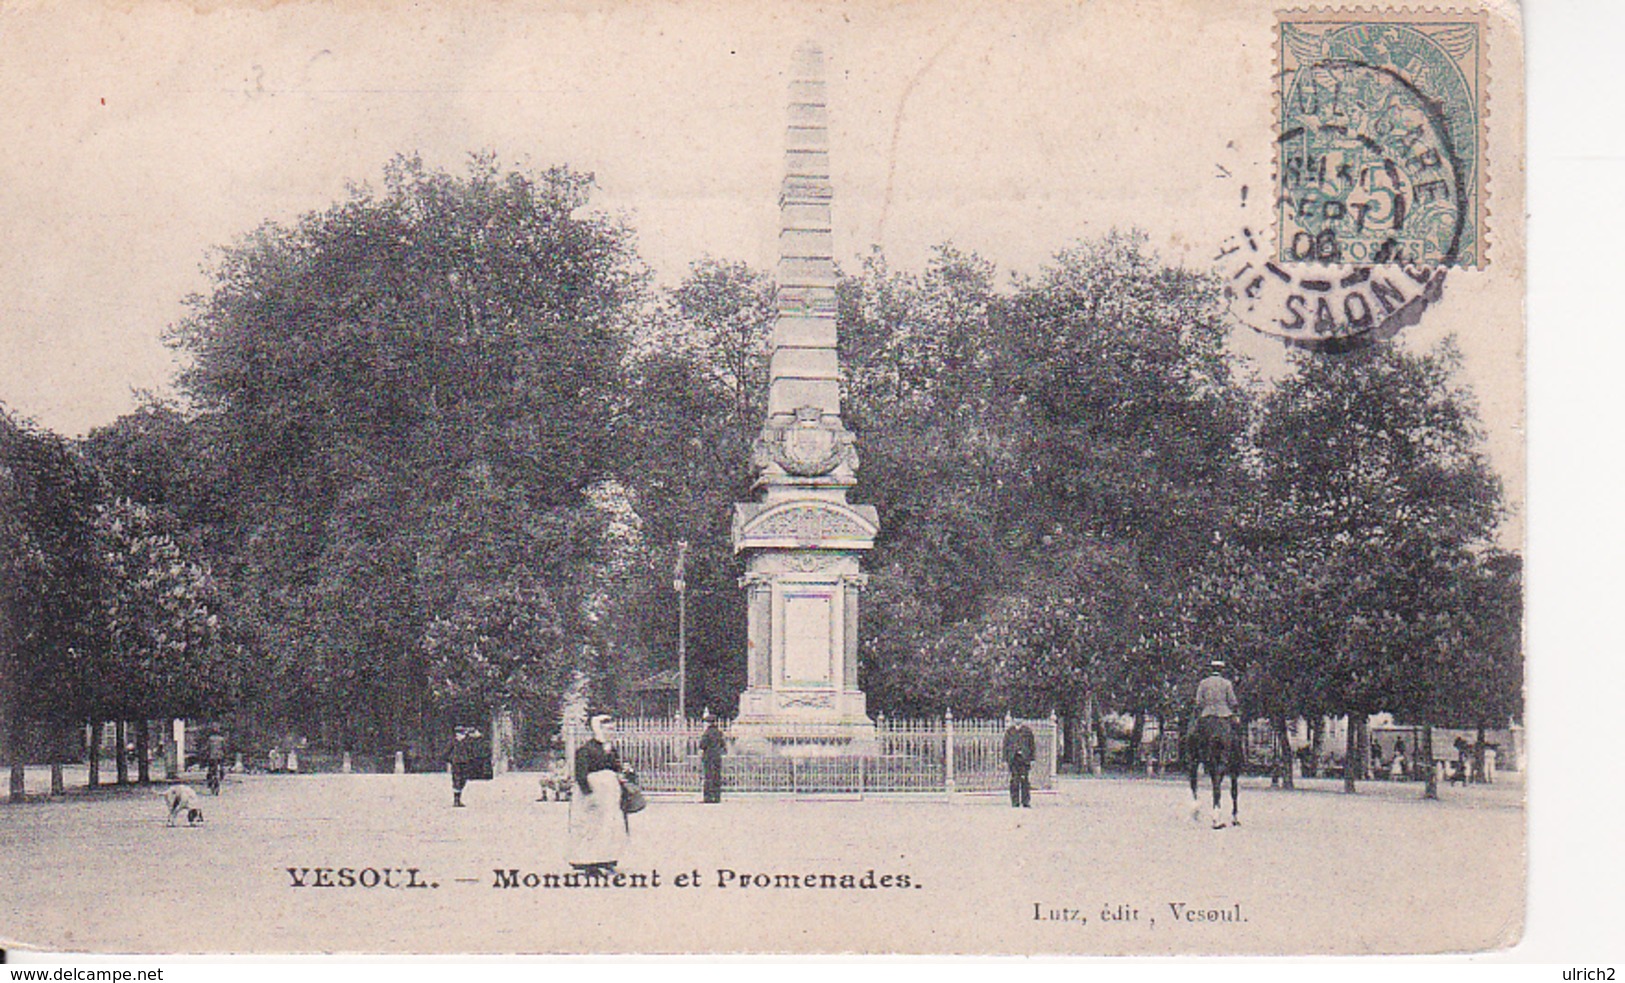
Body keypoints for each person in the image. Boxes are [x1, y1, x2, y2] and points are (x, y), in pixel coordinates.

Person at [568, 712, 628, 875]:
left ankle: (607, 859)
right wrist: (589, 795)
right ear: (598, 729)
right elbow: (581, 775)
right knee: (591, 827)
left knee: (609, 826)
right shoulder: (586, 750)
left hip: (609, 796)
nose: (611, 733)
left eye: (613, 730)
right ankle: (589, 862)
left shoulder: (611, 749)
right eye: (608, 729)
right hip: (593, 796)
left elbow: (616, 768)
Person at [1002, 714, 1036, 808]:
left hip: (1024, 759)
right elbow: (1005, 745)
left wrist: (1032, 758)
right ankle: (1015, 802)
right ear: (1013, 719)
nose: (1018, 719)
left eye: (1019, 718)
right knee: (1014, 780)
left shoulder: (1027, 731)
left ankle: (1026, 801)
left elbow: (1032, 745)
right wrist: (1005, 759)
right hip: (1013, 759)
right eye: (1016, 717)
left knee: (1025, 780)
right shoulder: (1009, 731)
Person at [447, 726, 482, 808]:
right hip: (457, 763)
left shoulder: (467, 741)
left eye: (461, 733)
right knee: (457, 780)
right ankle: (456, 800)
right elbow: (447, 751)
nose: (460, 735)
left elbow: (477, 738)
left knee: (463, 780)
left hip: (464, 762)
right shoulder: (454, 741)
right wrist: (449, 760)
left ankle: (457, 798)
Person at [699, 710, 726, 804]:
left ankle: (708, 797)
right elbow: (723, 744)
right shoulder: (719, 732)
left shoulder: (707, 733)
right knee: (716, 777)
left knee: (708, 777)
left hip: (708, 756)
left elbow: (702, 745)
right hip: (717, 756)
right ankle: (717, 797)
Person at [204, 727, 227, 794]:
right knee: (221, 767)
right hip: (220, 756)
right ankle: (221, 776)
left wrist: (206, 754)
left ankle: (209, 782)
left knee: (210, 769)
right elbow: (224, 748)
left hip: (212, 757)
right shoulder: (221, 739)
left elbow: (207, 748)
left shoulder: (210, 739)